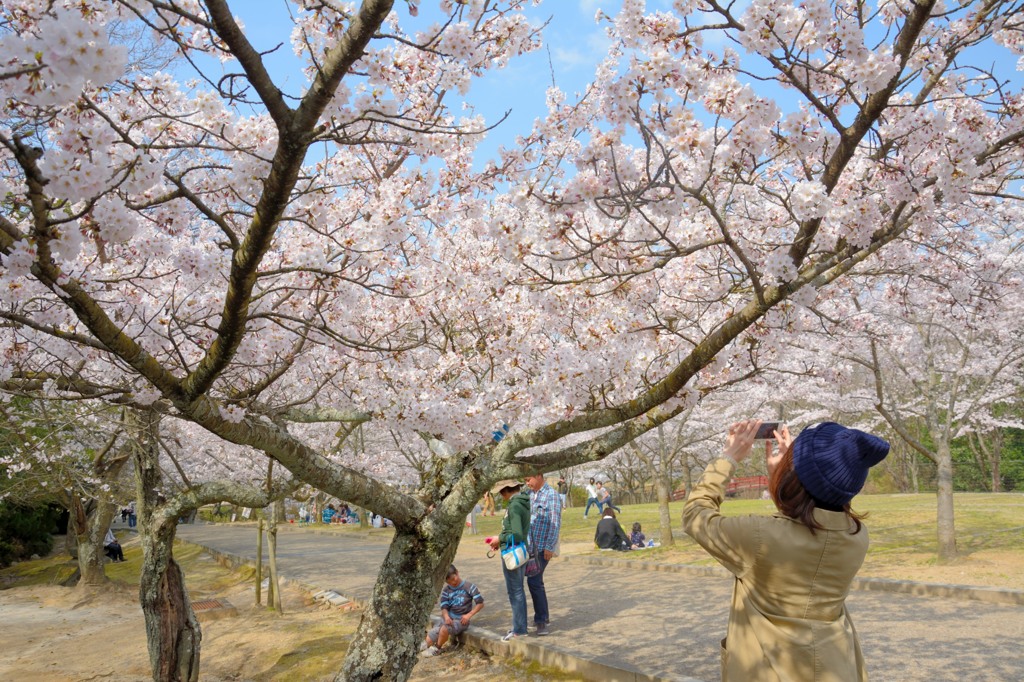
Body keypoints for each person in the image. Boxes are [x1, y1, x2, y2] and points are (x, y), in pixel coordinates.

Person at [682, 420, 890, 681]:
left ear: (796, 477)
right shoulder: (856, 537)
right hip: (836, 667)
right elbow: (804, 528)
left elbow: (695, 516)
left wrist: (729, 458)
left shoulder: (759, 538)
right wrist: (789, 474)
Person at [488, 479, 530, 642]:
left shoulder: (514, 506)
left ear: (506, 490)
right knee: (518, 590)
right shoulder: (523, 502)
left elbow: (517, 533)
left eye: (501, 492)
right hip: (521, 550)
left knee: (515, 591)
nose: (500, 496)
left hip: (512, 553)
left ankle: (519, 629)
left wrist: (500, 538)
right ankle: (520, 626)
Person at [525, 471, 561, 636]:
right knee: (535, 581)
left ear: (538, 475)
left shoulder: (551, 495)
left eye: (528, 479)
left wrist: (549, 546)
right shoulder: (529, 494)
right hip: (529, 546)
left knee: (534, 581)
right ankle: (542, 617)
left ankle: (541, 620)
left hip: (542, 547)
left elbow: (555, 521)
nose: (527, 483)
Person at [421, 564, 485, 657]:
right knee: (434, 631)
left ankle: (437, 648)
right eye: (449, 581)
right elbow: (444, 607)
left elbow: (480, 603)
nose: (453, 582)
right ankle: (425, 644)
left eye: (453, 578)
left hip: (461, 620)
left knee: (444, 629)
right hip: (448, 617)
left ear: (457, 573)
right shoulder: (446, 590)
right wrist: (446, 617)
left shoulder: (469, 587)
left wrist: (468, 615)